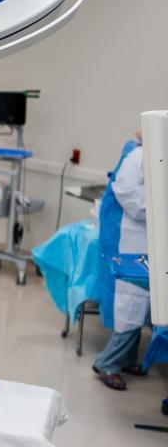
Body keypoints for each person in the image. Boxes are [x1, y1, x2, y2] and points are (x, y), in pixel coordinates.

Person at [94, 132, 150, 390]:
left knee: (143, 304)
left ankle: (126, 359)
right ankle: (107, 363)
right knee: (131, 306)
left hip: (149, 241)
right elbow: (129, 196)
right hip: (133, 239)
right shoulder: (137, 157)